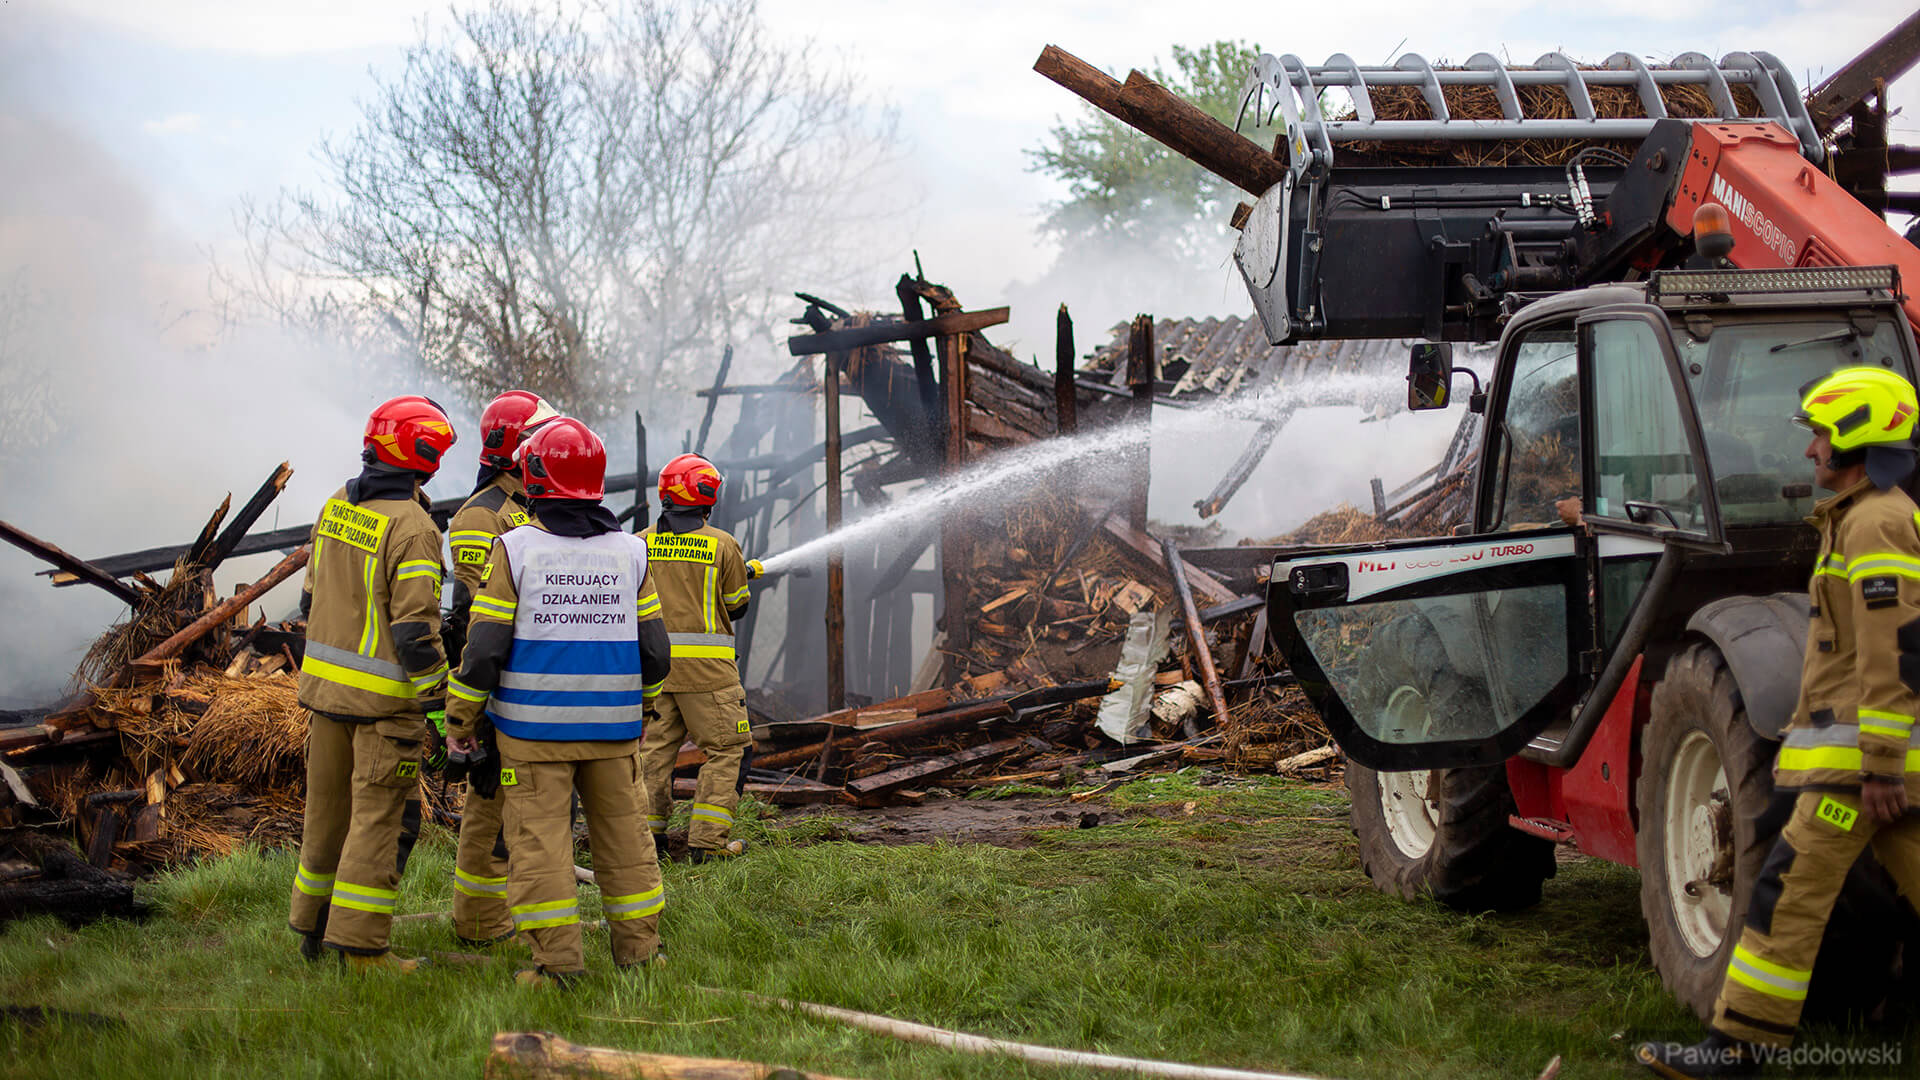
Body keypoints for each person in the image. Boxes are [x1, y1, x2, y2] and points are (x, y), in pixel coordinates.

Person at [1638, 367, 1920, 1078]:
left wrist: (1883, 764)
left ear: (1856, 437)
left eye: (1821, 436)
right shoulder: (1862, 518)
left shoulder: (1877, 522)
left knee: (1785, 897)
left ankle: (1737, 1050)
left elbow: (1894, 651)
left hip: (1862, 772)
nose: (1809, 452)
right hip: (1865, 766)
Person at [444, 417, 673, 986]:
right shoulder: (630, 553)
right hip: (615, 734)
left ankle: (558, 967)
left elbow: (484, 650)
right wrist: (641, 711)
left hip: (532, 736)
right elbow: (657, 652)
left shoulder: (516, 549)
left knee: (540, 846)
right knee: (625, 841)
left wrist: (461, 720)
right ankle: (641, 956)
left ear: (536, 479)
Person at [289, 395, 455, 971]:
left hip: (325, 698)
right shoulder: (414, 527)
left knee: (327, 815)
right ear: (424, 456)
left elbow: (309, 597)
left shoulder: (338, 505)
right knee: (383, 820)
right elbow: (414, 633)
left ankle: (314, 932)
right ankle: (361, 952)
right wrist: (442, 705)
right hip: (385, 708)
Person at [439, 390, 559, 945]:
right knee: (492, 807)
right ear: (516, 446)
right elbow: (479, 614)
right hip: (497, 681)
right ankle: (481, 923)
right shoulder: (480, 516)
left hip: (533, 679)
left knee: (525, 806)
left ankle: (508, 909)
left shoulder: (530, 507)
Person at [635, 453, 759, 863]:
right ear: (707, 495)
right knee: (728, 750)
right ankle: (708, 842)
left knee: (653, 754)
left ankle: (647, 841)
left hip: (653, 672)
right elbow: (736, 604)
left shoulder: (640, 542)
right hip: (709, 674)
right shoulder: (722, 544)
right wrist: (743, 571)